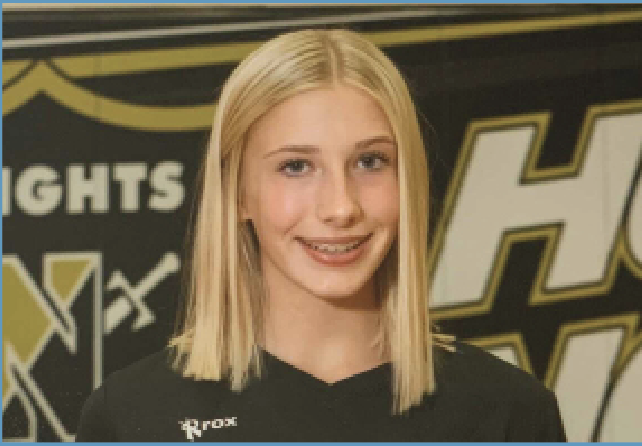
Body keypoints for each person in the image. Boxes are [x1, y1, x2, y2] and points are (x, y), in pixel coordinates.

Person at [76, 28, 566, 442]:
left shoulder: (509, 414)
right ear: (237, 193)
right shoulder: (132, 418)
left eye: (370, 162)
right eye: (295, 166)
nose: (340, 207)